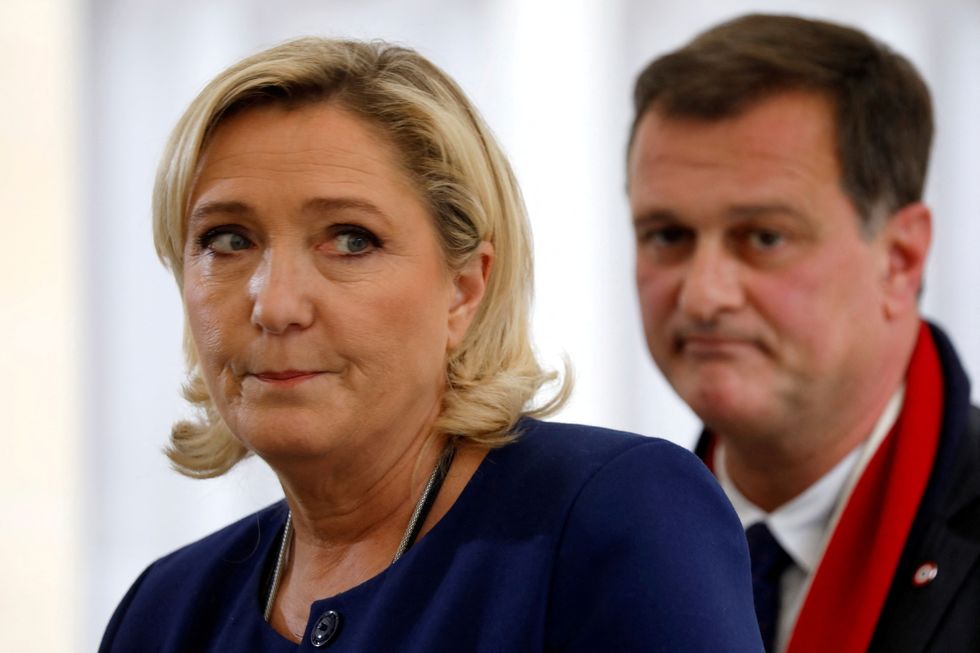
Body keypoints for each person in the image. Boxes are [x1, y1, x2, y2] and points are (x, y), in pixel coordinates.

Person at [99, 37, 763, 652]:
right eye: (227, 240)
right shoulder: (163, 612)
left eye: (350, 239)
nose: (274, 305)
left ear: (464, 289)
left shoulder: (617, 515)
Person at [627, 13, 980, 653]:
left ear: (900, 258)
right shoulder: (598, 541)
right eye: (667, 235)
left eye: (764, 237)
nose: (703, 294)